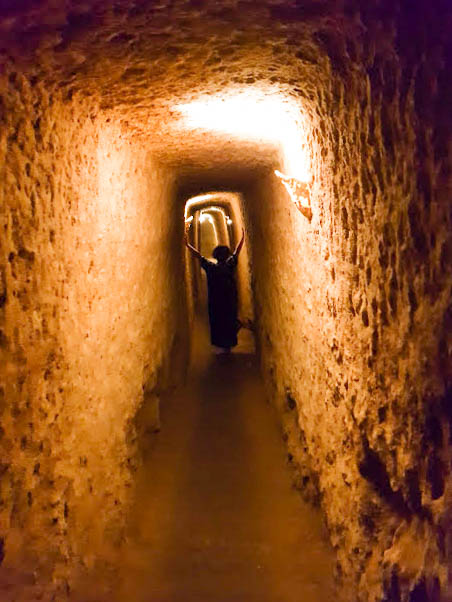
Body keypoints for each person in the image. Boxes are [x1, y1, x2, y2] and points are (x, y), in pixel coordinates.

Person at [185, 227, 245, 353]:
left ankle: (220, 344)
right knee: (229, 319)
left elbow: (199, 256)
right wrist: (243, 238)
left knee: (218, 321)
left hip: (216, 301)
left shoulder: (211, 268)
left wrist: (188, 246)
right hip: (229, 299)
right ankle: (228, 344)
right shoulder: (229, 265)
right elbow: (237, 252)